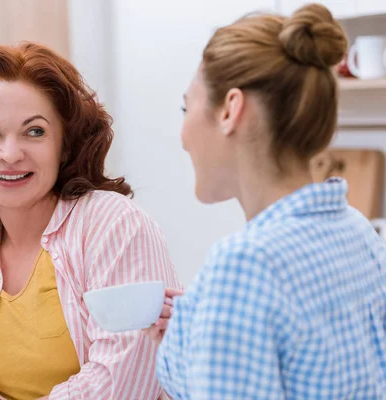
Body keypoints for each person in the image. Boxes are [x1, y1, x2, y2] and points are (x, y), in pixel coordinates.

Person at [0, 42, 181, 400]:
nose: (10, 154)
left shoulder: (113, 224)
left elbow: (127, 382)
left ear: (66, 145)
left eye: (35, 131)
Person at [146, 3, 386, 399]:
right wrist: (206, 322)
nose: (183, 135)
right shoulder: (357, 231)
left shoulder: (243, 267)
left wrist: (222, 308)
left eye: (187, 107)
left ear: (230, 110)